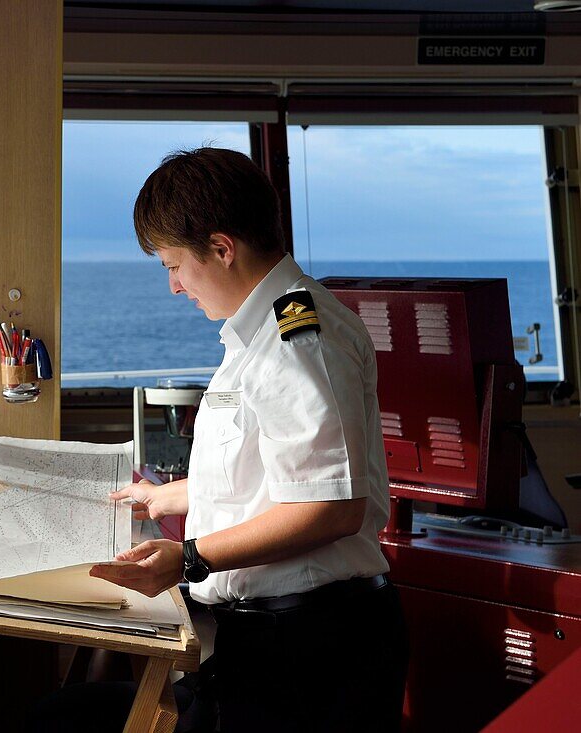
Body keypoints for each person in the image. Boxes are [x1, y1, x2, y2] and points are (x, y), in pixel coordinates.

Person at [28, 148, 407, 733]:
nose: (174, 287)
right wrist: (173, 495)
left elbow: (330, 507)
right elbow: (274, 471)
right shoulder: (259, 338)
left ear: (222, 248)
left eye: (173, 265)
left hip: (307, 651)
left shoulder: (296, 341)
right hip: (269, 642)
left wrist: (188, 559)